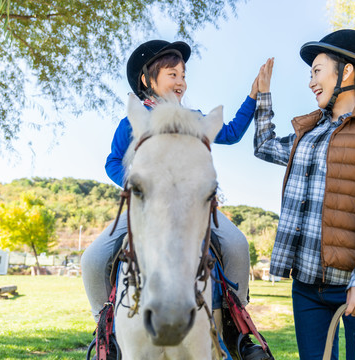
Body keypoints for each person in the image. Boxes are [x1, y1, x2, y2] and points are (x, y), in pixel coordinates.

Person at [81, 39, 261, 359]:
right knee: (93, 259)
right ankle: (104, 331)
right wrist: (142, 187)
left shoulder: (193, 118)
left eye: (183, 75)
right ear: (148, 80)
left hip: (191, 206)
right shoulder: (133, 121)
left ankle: (238, 328)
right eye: (171, 74)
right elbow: (112, 161)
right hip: (146, 204)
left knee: (236, 245)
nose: (180, 82)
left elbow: (231, 133)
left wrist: (252, 97)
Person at [253, 29, 355, 359]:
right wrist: (263, 96)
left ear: (346, 71)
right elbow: (264, 146)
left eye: (317, 71)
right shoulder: (308, 133)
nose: (311, 82)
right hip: (307, 289)